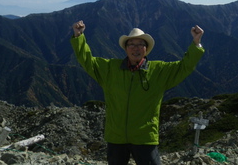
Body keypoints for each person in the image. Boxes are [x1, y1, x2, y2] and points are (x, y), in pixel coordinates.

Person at [71, 20, 205, 165]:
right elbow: (87, 61)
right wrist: (79, 37)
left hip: (145, 137)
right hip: (116, 138)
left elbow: (184, 67)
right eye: (131, 44)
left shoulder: (158, 71)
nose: (136, 48)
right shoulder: (110, 69)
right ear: (126, 48)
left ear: (146, 49)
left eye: (140, 44)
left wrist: (196, 43)